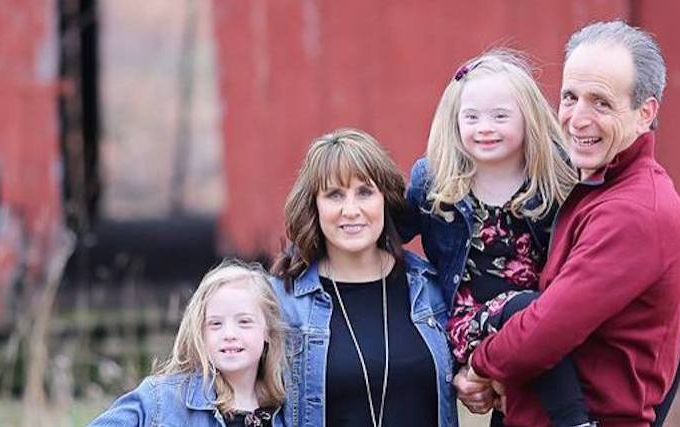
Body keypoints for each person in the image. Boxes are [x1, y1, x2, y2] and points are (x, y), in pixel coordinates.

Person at [457, 21, 680, 427]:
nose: (578, 119)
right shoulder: (595, 188)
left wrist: (479, 367)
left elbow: (547, 328)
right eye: (570, 97)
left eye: (601, 103)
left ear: (645, 113)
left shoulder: (635, 212)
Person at [402, 50, 586, 426]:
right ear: (454, 122)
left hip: (542, 328)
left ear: (528, 119)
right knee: (528, 310)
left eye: (500, 116)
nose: (484, 127)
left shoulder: (554, 177)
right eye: (471, 118)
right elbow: (389, 236)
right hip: (472, 325)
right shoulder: (436, 182)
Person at [270, 128, 457, 427]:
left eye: (365, 192)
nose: (351, 210)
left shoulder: (431, 289)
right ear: (314, 206)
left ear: (385, 199)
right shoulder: (281, 302)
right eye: (334, 195)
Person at [89, 259, 289, 427]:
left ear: (268, 332)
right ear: (200, 333)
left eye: (244, 322)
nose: (229, 334)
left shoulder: (286, 411)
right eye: (215, 323)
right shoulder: (162, 398)